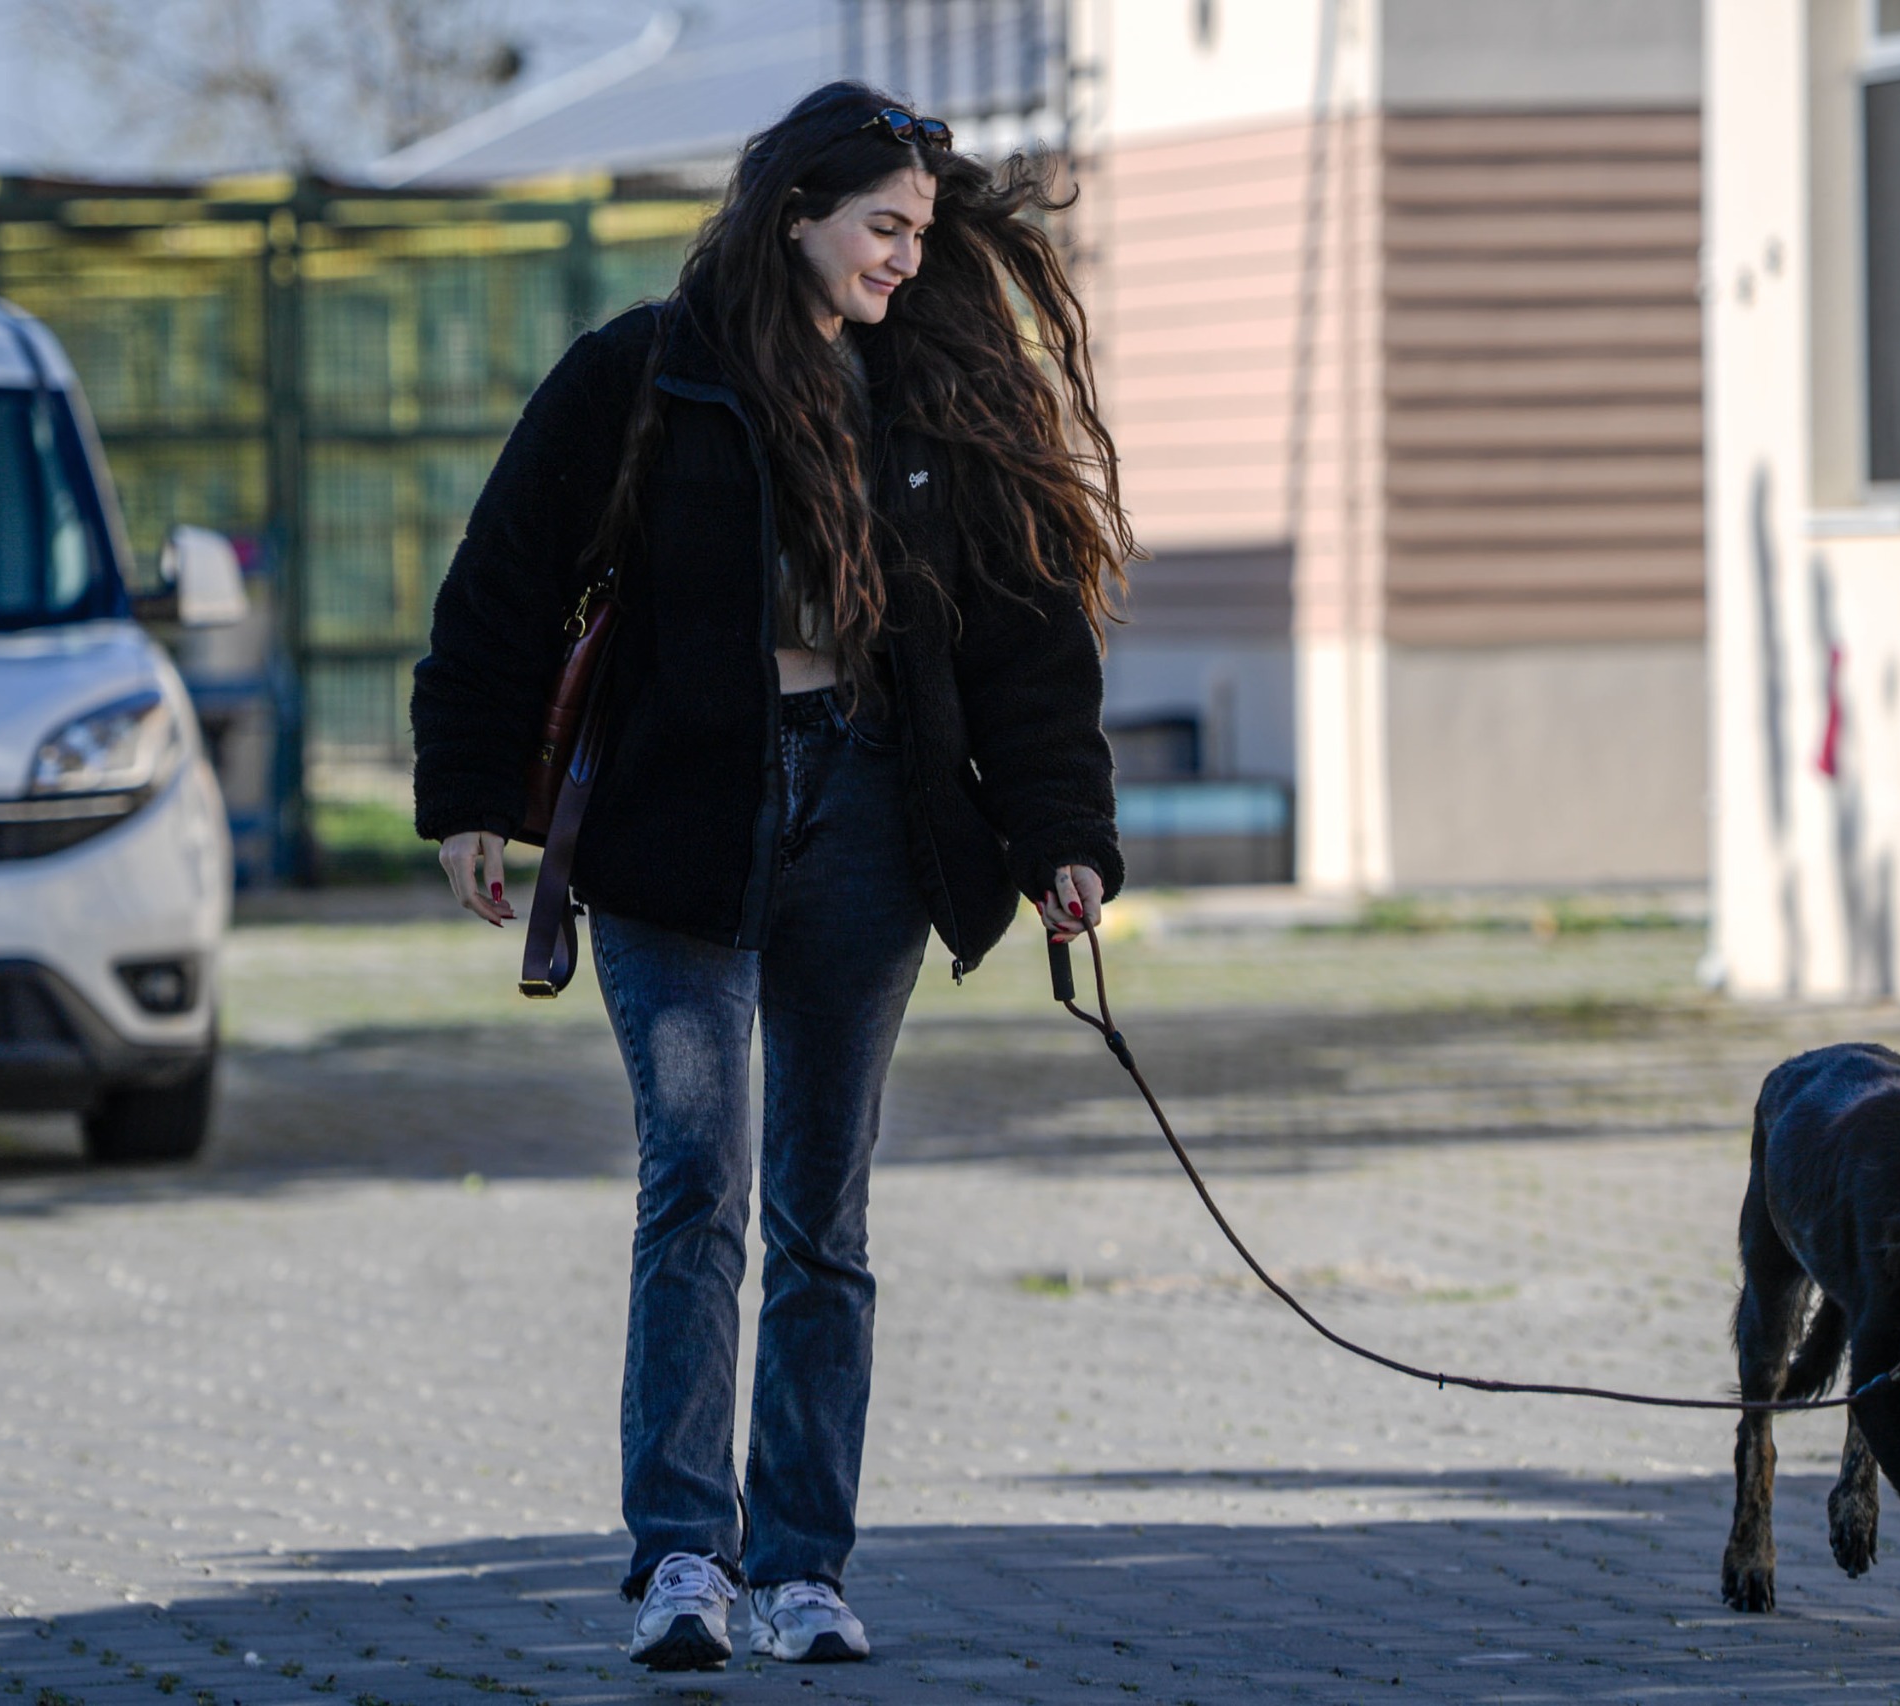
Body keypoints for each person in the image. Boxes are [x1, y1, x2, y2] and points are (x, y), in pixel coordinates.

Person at [408, 82, 1131, 1672]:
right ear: (796, 210)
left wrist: (1062, 837)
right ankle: (683, 1556)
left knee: (823, 1216)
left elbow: (1026, 641)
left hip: (869, 816)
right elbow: (503, 581)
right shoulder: (644, 371)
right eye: (884, 227)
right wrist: (465, 796)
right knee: (696, 1185)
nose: (907, 257)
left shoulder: (934, 390)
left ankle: (803, 1564)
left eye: (921, 232)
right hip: (680, 828)